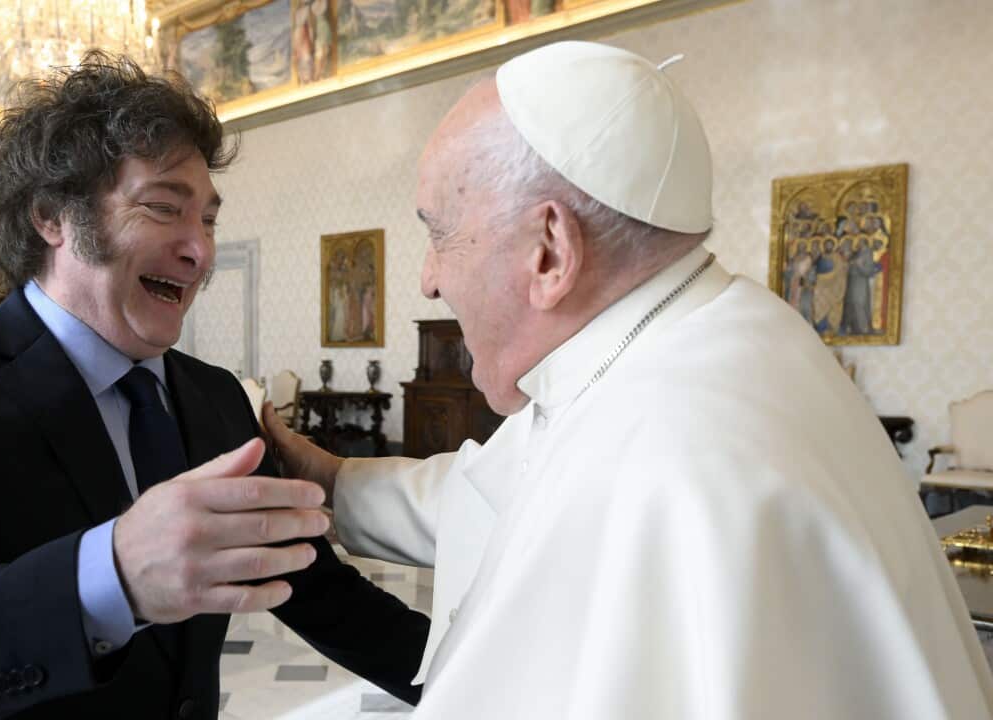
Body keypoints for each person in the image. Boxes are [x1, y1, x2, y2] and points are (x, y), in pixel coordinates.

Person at [263, 41, 993, 719]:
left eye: (438, 234)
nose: (427, 279)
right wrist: (325, 479)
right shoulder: (713, 336)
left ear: (550, 251)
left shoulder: (662, 448)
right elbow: (496, 493)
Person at [0, 52, 428, 719]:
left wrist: (480, 682)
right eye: (163, 208)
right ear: (52, 216)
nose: (201, 252)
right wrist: (109, 577)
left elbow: (322, 594)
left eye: (208, 219)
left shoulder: (216, 398)